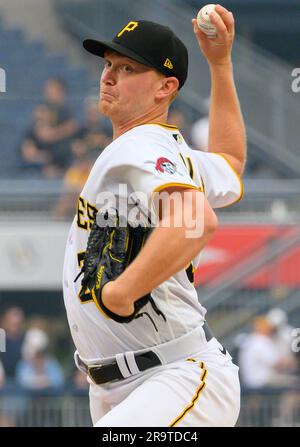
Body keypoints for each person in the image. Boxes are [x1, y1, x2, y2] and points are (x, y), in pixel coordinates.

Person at [63, 5, 246, 427]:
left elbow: (195, 219)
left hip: (171, 376)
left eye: (127, 68)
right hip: (131, 382)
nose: (108, 76)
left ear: (165, 88)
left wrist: (122, 290)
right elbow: (230, 161)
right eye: (108, 64)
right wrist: (220, 65)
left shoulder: (141, 144)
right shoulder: (169, 153)